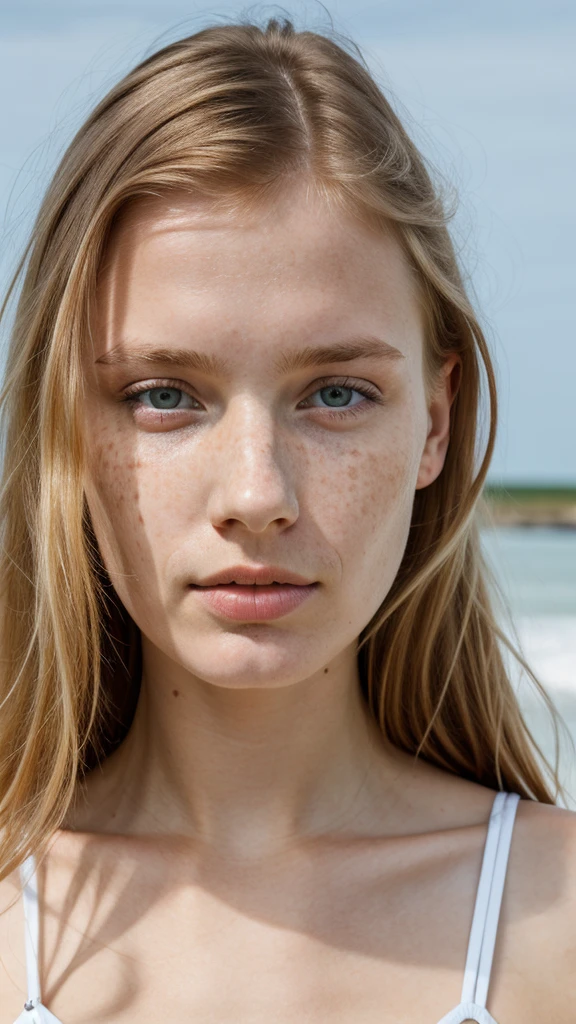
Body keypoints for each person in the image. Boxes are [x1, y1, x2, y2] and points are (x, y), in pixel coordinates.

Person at [0, 15, 574, 1024]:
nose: (257, 494)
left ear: (435, 422)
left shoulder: (556, 920)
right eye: (164, 395)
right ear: (65, 425)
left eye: (336, 394)